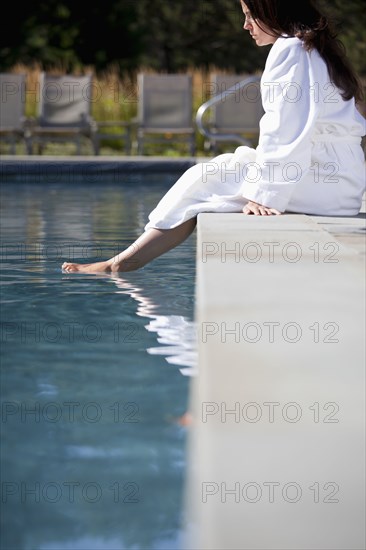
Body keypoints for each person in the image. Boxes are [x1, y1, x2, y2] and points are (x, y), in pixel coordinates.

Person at [62, 0, 366, 274]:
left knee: (207, 176)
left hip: (322, 183)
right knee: (229, 165)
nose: (245, 25)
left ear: (272, 11)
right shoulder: (316, 50)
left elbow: (287, 127)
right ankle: (123, 260)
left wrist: (263, 195)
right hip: (341, 184)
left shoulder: (291, 50)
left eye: (250, 15)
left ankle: (120, 263)